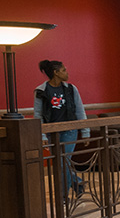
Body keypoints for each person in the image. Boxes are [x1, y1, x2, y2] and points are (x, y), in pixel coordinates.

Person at [34, 59, 88, 195]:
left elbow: (80, 110)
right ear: (56, 72)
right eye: (64, 70)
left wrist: (85, 132)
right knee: (61, 162)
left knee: (63, 161)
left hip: (70, 130)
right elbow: (38, 115)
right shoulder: (41, 91)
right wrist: (42, 135)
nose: (67, 73)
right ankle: (77, 182)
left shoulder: (71, 89)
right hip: (52, 133)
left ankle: (63, 196)